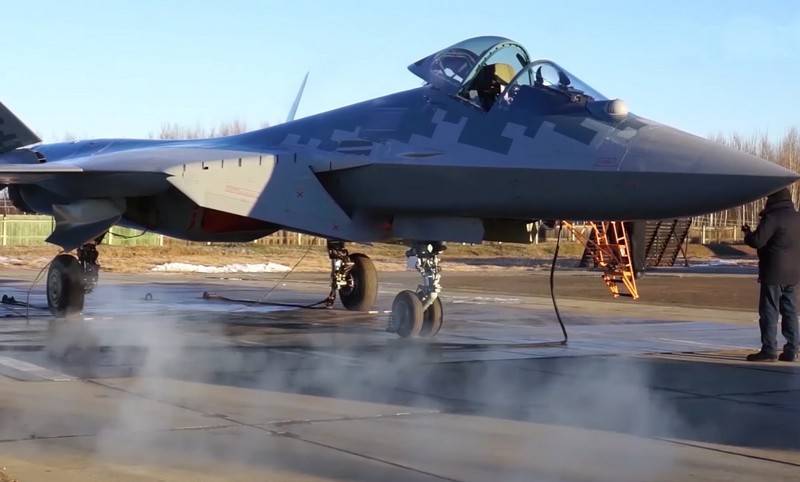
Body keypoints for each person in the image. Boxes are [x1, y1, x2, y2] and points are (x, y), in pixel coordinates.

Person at [742, 187, 800, 362]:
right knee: (790, 311)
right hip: (794, 273)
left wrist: (747, 234)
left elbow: (758, 241)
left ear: (773, 199)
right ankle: (792, 349)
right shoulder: (797, 217)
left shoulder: (773, 217)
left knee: (769, 311)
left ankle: (769, 349)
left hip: (774, 272)